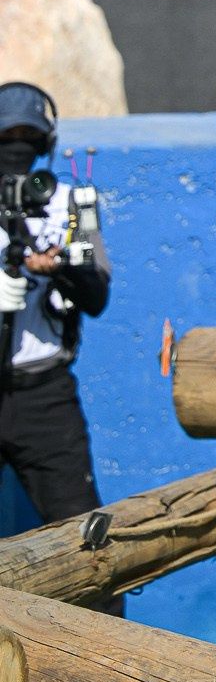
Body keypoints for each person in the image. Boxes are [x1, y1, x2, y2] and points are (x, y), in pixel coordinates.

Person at [0, 83, 112, 531]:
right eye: (6, 139)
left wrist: (60, 268)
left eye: (27, 138)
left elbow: (97, 296)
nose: (16, 150)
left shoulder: (70, 203)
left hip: (43, 395)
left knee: (84, 535)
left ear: (44, 145)